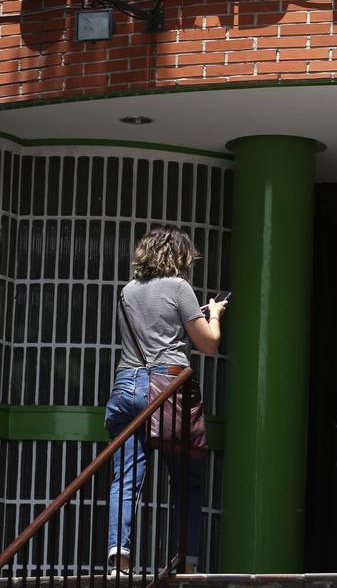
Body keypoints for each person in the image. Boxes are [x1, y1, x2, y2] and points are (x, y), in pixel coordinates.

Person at [105, 225, 226, 576]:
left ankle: (119, 560)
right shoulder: (179, 287)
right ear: (180, 256)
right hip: (169, 388)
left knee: (125, 478)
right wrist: (214, 314)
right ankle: (186, 563)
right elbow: (207, 343)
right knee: (187, 480)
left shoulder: (127, 291)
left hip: (126, 385)